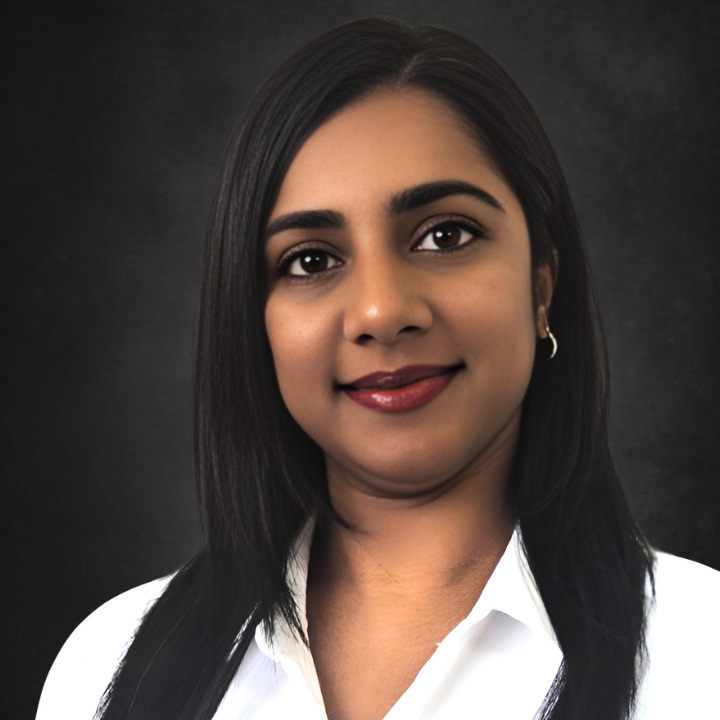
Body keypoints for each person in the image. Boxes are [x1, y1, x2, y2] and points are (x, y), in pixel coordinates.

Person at [36, 16, 719, 720]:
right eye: (311, 260)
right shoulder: (107, 668)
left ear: (541, 287)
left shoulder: (703, 654)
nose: (381, 311)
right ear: (255, 321)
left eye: (444, 235)